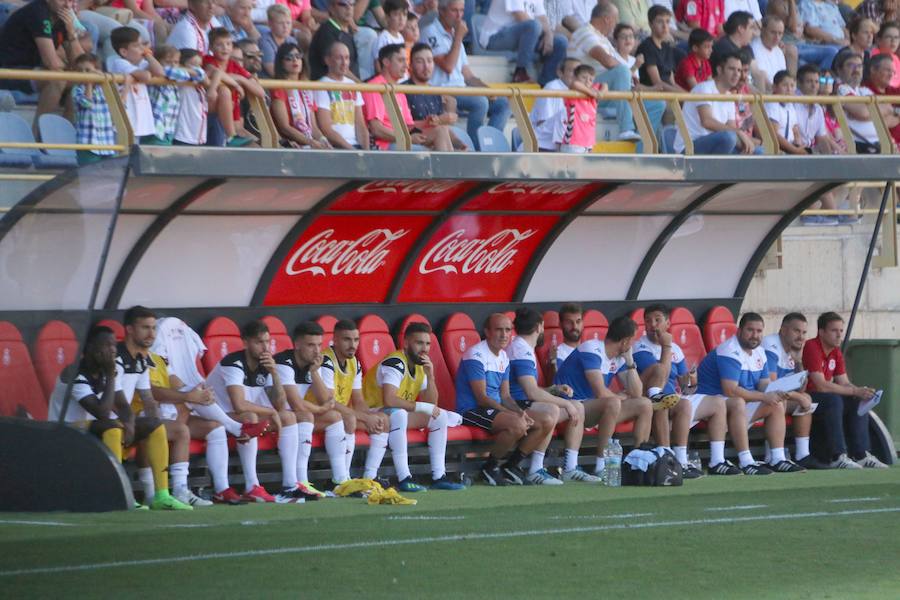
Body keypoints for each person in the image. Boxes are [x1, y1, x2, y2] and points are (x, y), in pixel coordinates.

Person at [47, 326, 191, 510]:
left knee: (154, 425)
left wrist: (130, 424)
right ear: (90, 347)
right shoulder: (74, 373)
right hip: (65, 430)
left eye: (114, 345)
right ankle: (119, 493)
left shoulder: (105, 370)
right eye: (106, 345)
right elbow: (102, 412)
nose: (113, 349)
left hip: (94, 427)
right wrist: (110, 375)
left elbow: (123, 405)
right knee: (113, 426)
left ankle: (161, 495)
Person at [696, 312, 805, 475]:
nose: (755, 335)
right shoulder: (730, 350)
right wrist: (765, 396)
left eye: (759, 331)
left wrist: (779, 392)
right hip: (712, 406)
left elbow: (764, 384)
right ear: (739, 331)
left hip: (736, 408)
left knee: (777, 402)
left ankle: (777, 458)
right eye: (750, 330)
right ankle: (745, 460)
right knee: (739, 401)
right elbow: (730, 390)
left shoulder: (760, 352)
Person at [362, 322, 466, 490]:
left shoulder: (420, 365)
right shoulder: (395, 362)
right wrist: (424, 408)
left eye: (427, 343)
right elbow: (389, 400)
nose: (424, 348)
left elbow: (431, 405)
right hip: (373, 411)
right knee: (400, 414)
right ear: (406, 343)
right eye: (419, 343)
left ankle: (439, 476)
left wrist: (430, 376)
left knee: (440, 416)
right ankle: (404, 477)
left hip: (395, 413)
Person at [633, 304, 726, 478]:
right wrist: (666, 346)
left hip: (673, 396)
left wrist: (690, 382)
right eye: (648, 321)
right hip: (649, 396)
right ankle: (674, 459)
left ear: (667, 323)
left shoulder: (675, 348)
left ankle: (715, 461)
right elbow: (661, 372)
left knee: (717, 403)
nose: (653, 325)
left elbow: (684, 384)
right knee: (677, 403)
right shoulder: (640, 347)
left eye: (657, 320)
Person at [554, 316, 655, 477]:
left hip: (594, 409)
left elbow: (636, 393)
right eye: (632, 340)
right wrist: (620, 397)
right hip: (572, 406)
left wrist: (629, 362)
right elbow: (600, 392)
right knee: (613, 402)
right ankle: (602, 465)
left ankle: (637, 462)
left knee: (644, 404)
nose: (633, 344)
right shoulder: (592, 349)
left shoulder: (620, 357)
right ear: (625, 341)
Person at [508, 308, 600, 483]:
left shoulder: (524, 347)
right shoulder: (521, 349)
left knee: (578, 406)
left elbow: (531, 388)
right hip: (514, 405)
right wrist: (564, 403)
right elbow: (531, 392)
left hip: (524, 401)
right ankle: (535, 469)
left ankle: (570, 468)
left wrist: (553, 389)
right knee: (553, 409)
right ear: (539, 327)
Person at [206, 320, 290, 504]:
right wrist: (270, 412)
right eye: (259, 342)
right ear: (245, 342)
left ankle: (293, 482)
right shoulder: (233, 363)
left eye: (267, 342)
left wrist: (275, 373)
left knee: (287, 417)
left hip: (236, 417)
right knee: (251, 417)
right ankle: (252, 485)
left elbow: (281, 404)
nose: (265, 347)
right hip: (211, 413)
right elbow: (239, 405)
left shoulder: (266, 364)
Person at [454, 313, 541, 486]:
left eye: (508, 330)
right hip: (471, 410)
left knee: (544, 420)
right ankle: (490, 468)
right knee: (517, 424)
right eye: (499, 330)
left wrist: (520, 412)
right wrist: (513, 415)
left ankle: (511, 466)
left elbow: (506, 396)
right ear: (487, 331)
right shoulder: (476, 355)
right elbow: (481, 398)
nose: (504, 334)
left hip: (494, 409)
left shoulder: (503, 357)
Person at [802, 312, 888, 468]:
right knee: (834, 400)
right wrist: (855, 392)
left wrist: (862, 392)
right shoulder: (812, 346)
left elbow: (844, 382)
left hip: (826, 398)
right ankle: (837, 456)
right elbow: (820, 385)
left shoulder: (836, 351)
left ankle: (861, 454)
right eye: (834, 331)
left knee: (856, 400)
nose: (839, 335)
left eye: (841, 331)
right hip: (808, 397)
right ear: (821, 332)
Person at [566, 3, 662, 141]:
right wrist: (628, 73)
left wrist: (630, 73)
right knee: (622, 71)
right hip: (588, 90)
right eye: (615, 19)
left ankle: (640, 153)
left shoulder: (603, 39)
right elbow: (608, 62)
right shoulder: (584, 32)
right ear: (607, 19)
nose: (616, 24)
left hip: (610, 91)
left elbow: (620, 67)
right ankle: (625, 129)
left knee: (657, 105)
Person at [422, 0, 511, 149]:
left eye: (462, 11)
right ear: (442, 11)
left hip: (461, 90)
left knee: (503, 104)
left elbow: (468, 75)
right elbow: (448, 66)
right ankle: (476, 150)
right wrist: (458, 37)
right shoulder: (430, 31)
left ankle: (490, 146)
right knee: (480, 102)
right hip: (441, 91)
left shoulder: (456, 35)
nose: (459, 16)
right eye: (454, 11)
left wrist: (488, 90)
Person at [274, 322, 347, 493]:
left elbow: (327, 400)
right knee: (306, 415)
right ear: (297, 345)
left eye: (319, 345)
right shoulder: (283, 362)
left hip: (291, 416)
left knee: (335, 417)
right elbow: (295, 403)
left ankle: (340, 480)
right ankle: (302, 481)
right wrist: (320, 409)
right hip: (272, 416)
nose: (316, 350)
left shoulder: (313, 364)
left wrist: (314, 372)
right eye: (310, 345)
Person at [317, 319, 392, 481]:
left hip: (340, 415)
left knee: (383, 420)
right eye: (347, 339)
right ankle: (343, 479)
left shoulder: (354, 363)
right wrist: (365, 417)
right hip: (318, 414)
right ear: (335, 340)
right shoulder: (325, 361)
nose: (353, 345)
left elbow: (358, 400)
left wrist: (371, 417)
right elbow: (329, 403)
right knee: (349, 419)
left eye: (356, 340)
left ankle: (370, 478)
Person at [0, 0, 86, 131]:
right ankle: (38, 134)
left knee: (84, 79)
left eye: (71, 1)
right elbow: (51, 62)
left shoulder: (62, 18)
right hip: (8, 72)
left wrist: (71, 34)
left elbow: (84, 64)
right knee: (57, 79)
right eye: (62, 0)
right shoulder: (37, 12)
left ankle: (65, 134)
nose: (67, 5)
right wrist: (69, 69)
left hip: (33, 72)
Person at [762, 313, 830, 470]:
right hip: (758, 397)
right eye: (796, 331)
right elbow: (771, 387)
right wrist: (798, 396)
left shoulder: (791, 350)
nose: (801, 337)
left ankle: (802, 455)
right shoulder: (771, 345)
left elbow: (800, 388)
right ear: (783, 330)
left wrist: (799, 361)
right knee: (792, 400)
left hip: (776, 398)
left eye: (804, 332)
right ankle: (771, 454)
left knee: (804, 398)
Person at [362, 43, 455, 149]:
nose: (406, 65)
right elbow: (376, 129)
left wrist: (427, 122)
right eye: (401, 60)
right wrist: (408, 139)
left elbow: (408, 126)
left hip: (402, 139)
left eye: (406, 61)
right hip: (384, 145)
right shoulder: (375, 87)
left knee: (441, 130)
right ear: (386, 62)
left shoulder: (399, 89)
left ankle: (449, 165)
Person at [674, 51, 760, 154]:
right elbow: (707, 121)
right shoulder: (704, 88)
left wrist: (744, 141)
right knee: (728, 137)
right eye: (731, 69)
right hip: (689, 147)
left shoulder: (729, 96)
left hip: (716, 144)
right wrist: (738, 132)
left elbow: (731, 127)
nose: (737, 74)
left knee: (758, 151)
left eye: (739, 70)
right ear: (719, 70)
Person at [478, 0, 568, 85]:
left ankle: (547, 84)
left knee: (560, 42)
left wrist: (549, 34)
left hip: (525, 36)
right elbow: (521, 16)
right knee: (534, 25)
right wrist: (544, 34)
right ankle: (520, 72)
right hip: (495, 37)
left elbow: (542, 17)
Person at [204, 26, 265, 147]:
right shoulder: (207, 60)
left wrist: (241, 79)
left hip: (232, 116)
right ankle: (231, 137)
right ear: (210, 48)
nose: (225, 48)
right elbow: (216, 72)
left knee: (255, 147)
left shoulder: (234, 66)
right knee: (224, 91)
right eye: (219, 44)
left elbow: (261, 92)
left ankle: (232, 137)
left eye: (228, 44)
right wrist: (236, 85)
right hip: (209, 110)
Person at [404, 43, 469, 149]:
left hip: (436, 140)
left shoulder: (435, 91)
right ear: (410, 65)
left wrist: (460, 144)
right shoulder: (403, 89)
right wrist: (438, 120)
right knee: (440, 130)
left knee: (460, 145)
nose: (426, 66)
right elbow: (402, 124)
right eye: (420, 61)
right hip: (414, 138)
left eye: (429, 61)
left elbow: (442, 125)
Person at [106, 26, 164, 142]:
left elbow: (159, 72)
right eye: (137, 46)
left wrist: (147, 54)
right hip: (124, 121)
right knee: (123, 156)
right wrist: (146, 56)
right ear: (124, 52)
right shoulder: (119, 63)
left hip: (137, 122)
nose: (142, 49)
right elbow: (146, 77)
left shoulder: (140, 63)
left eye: (142, 44)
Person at [270, 42, 331, 148]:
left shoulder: (306, 88)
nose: (295, 60)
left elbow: (313, 126)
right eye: (289, 58)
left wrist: (323, 140)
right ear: (281, 63)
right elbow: (284, 127)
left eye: (298, 56)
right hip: (290, 146)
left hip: (308, 143)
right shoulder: (278, 87)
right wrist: (311, 142)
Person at [314, 41, 369, 148]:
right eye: (339, 58)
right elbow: (326, 128)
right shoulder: (321, 85)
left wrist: (366, 153)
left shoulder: (352, 85)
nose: (344, 62)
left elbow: (360, 124)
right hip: (335, 147)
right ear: (327, 60)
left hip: (354, 146)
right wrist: (351, 150)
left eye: (347, 58)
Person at [148, 45, 207, 146]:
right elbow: (171, 72)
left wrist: (185, 70)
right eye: (168, 61)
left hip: (169, 128)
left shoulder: (176, 74)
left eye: (175, 62)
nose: (172, 65)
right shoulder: (156, 71)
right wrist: (187, 71)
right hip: (156, 128)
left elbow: (201, 74)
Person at [71, 53, 117, 165]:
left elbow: (118, 103)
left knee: (109, 179)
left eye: (88, 70)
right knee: (89, 179)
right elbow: (87, 103)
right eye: (80, 70)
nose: (84, 74)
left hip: (107, 142)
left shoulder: (104, 89)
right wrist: (89, 84)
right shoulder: (77, 90)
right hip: (87, 143)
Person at [173, 48, 223, 146]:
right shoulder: (181, 79)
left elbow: (217, 71)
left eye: (199, 65)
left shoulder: (199, 79)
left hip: (198, 135)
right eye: (193, 65)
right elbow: (199, 74)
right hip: (183, 135)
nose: (198, 68)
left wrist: (212, 89)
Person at [835, 51, 882, 153]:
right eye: (851, 65)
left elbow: (889, 113)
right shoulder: (841, 88)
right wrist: (876, 112)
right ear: (839, 70)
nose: (856, 70)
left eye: (859, 66)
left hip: (878, 143)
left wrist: (875, 112)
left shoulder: (865, 90)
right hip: (858, 145)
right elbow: (863, 113)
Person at [794, 63, 845, 154]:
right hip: (793, 150)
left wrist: (828, 160)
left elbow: (822, 138)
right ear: (798, 83)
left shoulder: (818, 109)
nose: (814, 86)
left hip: (809, 151)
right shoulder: (792, 104)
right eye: (809, 81)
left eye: (816, 82)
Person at [555, 63, 607, 152]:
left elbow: (604, 85)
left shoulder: (592, 95)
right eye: (583, 77)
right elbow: (575, 84)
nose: (587, 81)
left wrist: (600, 93)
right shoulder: (573, 94)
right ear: (575, 77)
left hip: (589, 143)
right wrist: (592, 93)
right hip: (573, 143)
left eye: (591, 79)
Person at [530, 57, 578, 151]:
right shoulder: (552, 88)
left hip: (564, 145)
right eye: (572, 71)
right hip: (542, 145)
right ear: (560, 73)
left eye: (579, 72)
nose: (576, 75)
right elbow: (543, 122)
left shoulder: (580, 92)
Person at [308, 0, 359, 80]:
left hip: (348, 87)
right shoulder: (326, 32)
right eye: (343, 4)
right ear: (331, 8)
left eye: (352, 4)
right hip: (328, 88)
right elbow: (339, 68)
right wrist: (361, 86)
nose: (348, 8)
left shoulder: (347, 30)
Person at [637, 5, 683, 93]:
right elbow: (658, 84)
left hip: (669, 95)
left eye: (667, 22)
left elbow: (672, 82)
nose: (665, 26)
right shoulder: (647, 46)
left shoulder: (667, 48)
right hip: (653, 96)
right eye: (660, 22)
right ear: (650, 24)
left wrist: (690, 96)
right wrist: (686, 97)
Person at [765, 70, 808, 154]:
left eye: (792, 86)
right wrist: (794, 150)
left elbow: (795, 130)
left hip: (791, 147)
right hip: (779, 148)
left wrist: (798, 143)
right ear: (774, 87)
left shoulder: (790, 106)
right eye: (785, 85)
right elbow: (774, 135)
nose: (789, 89)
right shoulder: (772, 104)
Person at [863, 52, 900, 146]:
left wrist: (893, 115)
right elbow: (875, 123)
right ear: (873, 70)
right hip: (884, 148)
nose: (891, 75)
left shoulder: (894, 91)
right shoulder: (864, 91)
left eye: (893, 72)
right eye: (887, 70)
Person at [545, 302, 583, 381]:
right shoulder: (559, 352)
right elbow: (558, 384)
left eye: (578, 321)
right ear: (560, 325)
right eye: (569, 322)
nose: (575, 326)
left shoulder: (590, 349)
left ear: (583, 323)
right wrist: (553, 363)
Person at [260, 3, 298, 76]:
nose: (285, 26)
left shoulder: (292, 41)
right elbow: (273, 71)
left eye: (288, 23)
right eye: (281, 23)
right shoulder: (264, 42)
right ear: (270, 24)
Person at [751, 16, 787, 90]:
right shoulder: (753, 48)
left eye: (780, 33)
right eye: (773, 32)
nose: (777, 37)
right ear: (763, 30)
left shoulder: (779, 51)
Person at [371, 0, 406, 74]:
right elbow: (378, 65)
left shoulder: (401, 37)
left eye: (404, 14)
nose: (401, 18)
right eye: (396, 14)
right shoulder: (382, 39)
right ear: (387, 17)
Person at [870, 20, 900, 88]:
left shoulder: (896, 58)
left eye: (896, 37)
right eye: (889, 37)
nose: (893, 41)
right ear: (878, 40)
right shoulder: (873, 56)